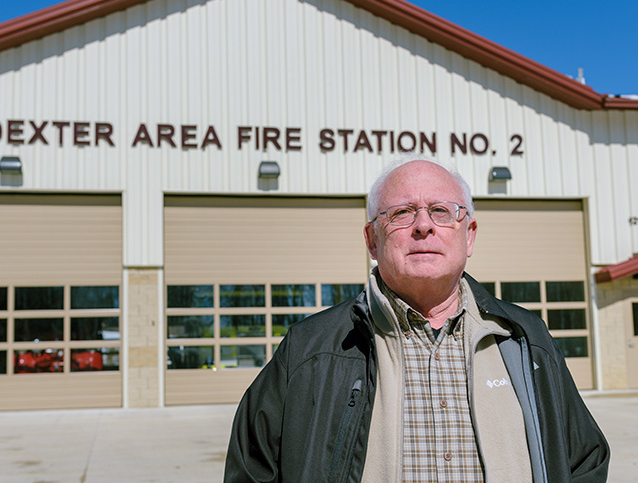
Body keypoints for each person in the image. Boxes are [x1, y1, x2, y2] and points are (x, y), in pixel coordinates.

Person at [224, 158, 609, 483]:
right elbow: (251, 468)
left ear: (469, 236)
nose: (423, 225)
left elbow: (584, 460)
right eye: (402, 213)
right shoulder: (310, 348)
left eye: (441, 211)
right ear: (372, 241)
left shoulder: (525, 338)